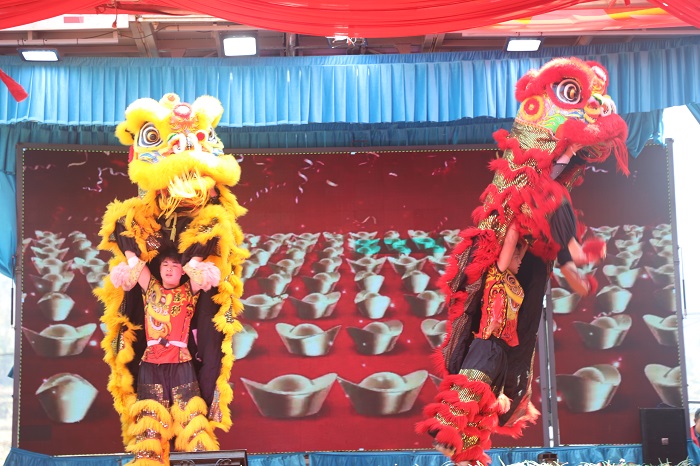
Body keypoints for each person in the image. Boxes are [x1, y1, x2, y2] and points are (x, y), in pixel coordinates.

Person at [110, 249, 221, 465]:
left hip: (181, 365)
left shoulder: (189, 290)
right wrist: (128, 245)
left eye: (174, 265)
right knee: (151, 425)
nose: (169, 269)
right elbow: (134, 261)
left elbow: (200, 275)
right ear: (159, 269)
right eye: (165, 265)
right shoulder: (151, 287)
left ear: (182, 271)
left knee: (191, 421)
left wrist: (193, 258)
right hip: (151, 366)